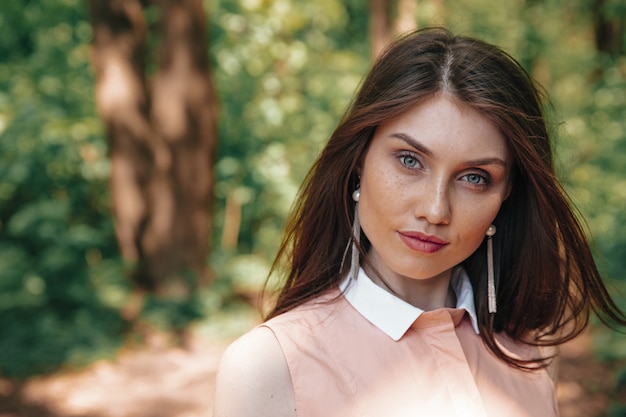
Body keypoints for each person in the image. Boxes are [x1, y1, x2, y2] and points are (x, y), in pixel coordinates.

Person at [213, 27, 626, 417]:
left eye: (474, 178)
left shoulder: (531, 352)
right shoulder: (268, 367)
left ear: (506, 195)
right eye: (410, 160)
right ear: (359, 161)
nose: (435, 210)